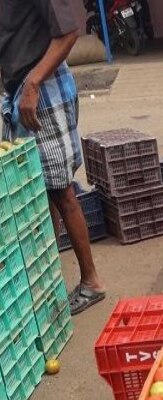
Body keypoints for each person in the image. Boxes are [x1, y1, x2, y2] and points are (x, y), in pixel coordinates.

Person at [1, 0, 105, 314]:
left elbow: (69, 33)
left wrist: (33, 83)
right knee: (35, 192)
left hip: (43, 89)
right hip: (18, 92)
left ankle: (91, 282)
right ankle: (47, 280)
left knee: (61, 190)